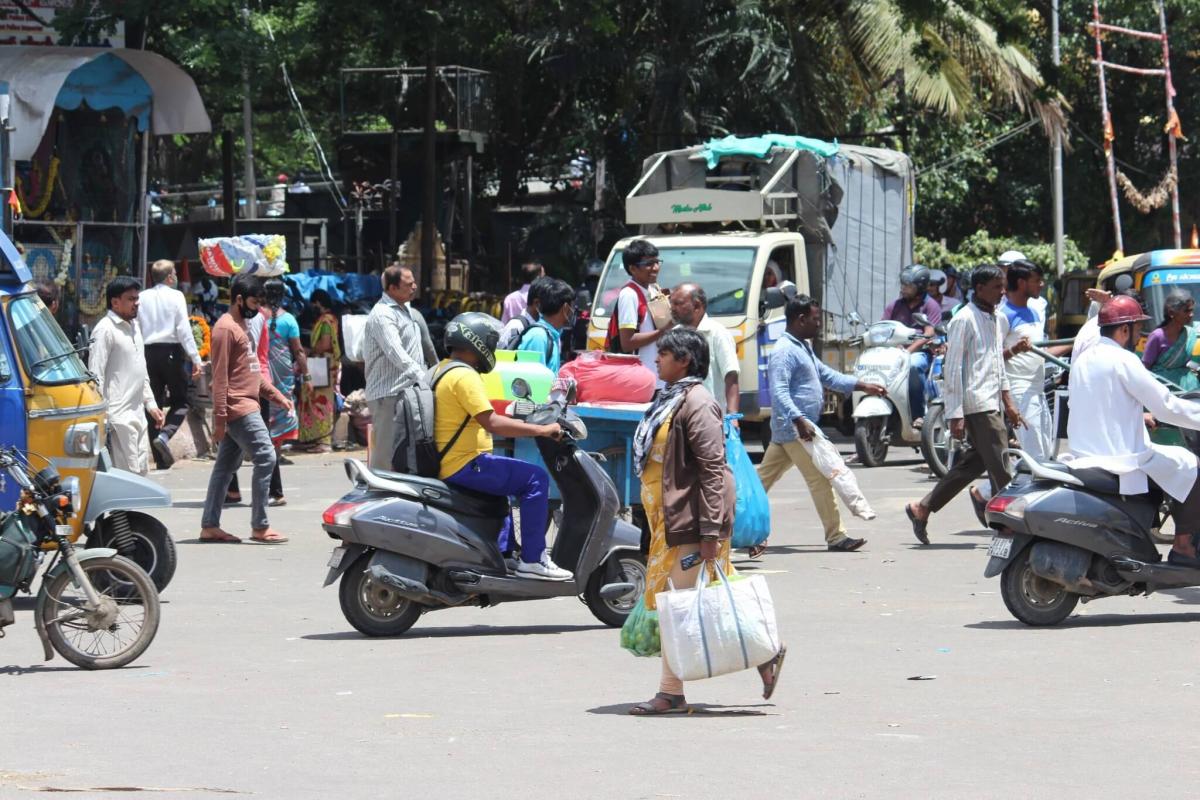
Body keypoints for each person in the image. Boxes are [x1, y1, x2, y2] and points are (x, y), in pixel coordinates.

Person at [628, 328, 785, 714]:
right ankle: (766, 652)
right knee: (696, 601)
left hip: (692, 524)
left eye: (664, 354)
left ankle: (670, 692)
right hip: (669, 525)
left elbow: (714, 471)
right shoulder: (670, 400)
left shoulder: (697, 403)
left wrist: (710, 532)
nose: (657, 359)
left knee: (677, 605)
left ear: (684, 361)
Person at [433, 312, 572, 580]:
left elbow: (480, 412)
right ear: (477, 343)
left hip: (451, 461)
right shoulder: (465, 376)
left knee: (507, 480)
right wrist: (541, 429)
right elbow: (492, 423)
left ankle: (505, 554)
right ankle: (533, 560)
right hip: (464, 463)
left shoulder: (443, 369)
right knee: (535, 478)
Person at [1067, 295, 1200, 567]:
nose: (1140, 335)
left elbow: (1104, 402)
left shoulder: (1084, 358)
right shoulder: (1123, 359)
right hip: (1121, 457)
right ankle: (1183, 546)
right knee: (1193, 467)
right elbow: (1166, 406)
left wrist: (1139, 416)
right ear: (1125, 329)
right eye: (1138, 328)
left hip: (1084, 452)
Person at [753, 295, 887, 557]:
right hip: (795, 429)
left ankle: (729, 528)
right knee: (821, 480)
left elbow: (826, 376)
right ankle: (836, 536)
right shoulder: (784, 351)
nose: (819, 325)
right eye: (815, 319)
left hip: (789, 431)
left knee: (758, 485)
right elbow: (778, 391)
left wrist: (861, 385)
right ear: (800, 319)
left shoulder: (802, 346)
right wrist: (798, 419)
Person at [905, 265, 1024, 544]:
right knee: (1001, 465)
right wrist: (955, 414)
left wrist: (1008, 401)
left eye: (1003, 286)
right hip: (976, 403)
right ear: (979, 288)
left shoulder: (995, 318)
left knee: (972, 465)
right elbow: (953, 368)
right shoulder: (965, 319)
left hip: (991, 399)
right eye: (997, 287)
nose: (1002, 292)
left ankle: (922, 508)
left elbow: (997, 363)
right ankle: (1008, 523)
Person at [200, 274, 293, 544]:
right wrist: (219, 421)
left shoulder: (242, 326)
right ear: (239, 299)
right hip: (238, 407)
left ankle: (209, 525)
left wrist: (278, 397)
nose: (258, 308)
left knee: (224, 468)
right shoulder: (225, 329)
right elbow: (219, 378)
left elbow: (251, 372)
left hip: (245, 403)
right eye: (254, 301)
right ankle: (260, 526)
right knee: (266, 456)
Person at [88, 276, 165, 475]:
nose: (136, 303)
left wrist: (152, 405)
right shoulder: (104, 330)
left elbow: (141, 370)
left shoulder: (134, 327)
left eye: (137, 298)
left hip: (138, 415)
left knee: (141, 475)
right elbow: (95, 375)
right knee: (126, 478)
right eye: (131, 299)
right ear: (115, 302)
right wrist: (101, 416)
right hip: (117, 418)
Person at [363, 265, 430, 470]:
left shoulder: (406, 310)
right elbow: (396, 353)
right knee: (384, 453)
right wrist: (425, 377)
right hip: (388, 395)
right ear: (392, 288)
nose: (414, 287)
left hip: (408, 392)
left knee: (404, 451)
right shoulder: (383, 315)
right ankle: (378, 493)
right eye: (408, 284)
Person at [138, 259, 203, 469]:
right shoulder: (176, 296)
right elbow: (184, 330)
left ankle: (160, 459)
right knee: (181, 401)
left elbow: (136, 328)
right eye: (174, 273)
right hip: (171, 352)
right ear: (169, 277)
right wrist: (196, 358)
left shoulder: (142, 297)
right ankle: (165, 436)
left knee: (153, 404)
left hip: (147, 353)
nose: (176, 277)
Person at [261, 278, 306, 504]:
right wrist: (306, 374)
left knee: (264, 423)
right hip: (283, 379)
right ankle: (274, 455)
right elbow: (298, 351)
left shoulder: (257, 318)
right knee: (276, 430)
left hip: (262, 378)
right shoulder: (289, 320)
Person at [883, 265, 941, 428]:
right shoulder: (894, 306)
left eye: (908, 286)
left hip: (921, 353)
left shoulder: (931, 306)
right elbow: (883, 326)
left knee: (914, 366)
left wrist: (907, 351)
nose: (903, 288)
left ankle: (918, 414)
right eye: (902, 284)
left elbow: (929, 332)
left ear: (920, 287)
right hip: (894, 352)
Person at [669, 282, 740, 415]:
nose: (672, 308)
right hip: (680, 415)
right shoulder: (674, 335)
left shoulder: (718, 333)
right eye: (671, 304)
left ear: (696, 305)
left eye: (678, 304)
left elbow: (731, 376)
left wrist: (732, 418)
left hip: (710, 416)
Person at [1142, 289, 1199, 446]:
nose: (1191, 314)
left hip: (1186, 393)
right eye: (1186, 311)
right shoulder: (1157, 336)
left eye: (1192, 310)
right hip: (1163, 394)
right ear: (1171, 312)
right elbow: (1143, 370)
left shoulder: (1191, 333)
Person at [608, 239, 668, 377]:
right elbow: (627, 343)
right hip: (641, 378)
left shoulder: (654, 290)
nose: (655, 268)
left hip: (660, 378)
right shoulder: (629, 294)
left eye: (657, 262)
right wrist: (662, 331)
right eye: (648, 264)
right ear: (632, 268)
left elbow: (663, 325)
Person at [299, 288, 340, 451]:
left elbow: (325, 343)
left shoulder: (325, 321)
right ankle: (317, 439)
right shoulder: (332, 319)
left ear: (319, 303)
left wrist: (310, 350)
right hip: (327, 365)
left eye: (314, 303)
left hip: (322, 364)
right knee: (319, 401)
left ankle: (323, 442)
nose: (312, 306)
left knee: (320, 402)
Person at [517, 277, 574, 373]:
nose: (573, 312)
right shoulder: (538, 337)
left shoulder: (551, 335)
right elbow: (532, 382)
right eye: (572, 307)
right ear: (565, 308)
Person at [498, 275, 547, 350]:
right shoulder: (516, 326)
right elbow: (502, 354)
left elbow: (503, 323)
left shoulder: (510, 298)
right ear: (537, 303)